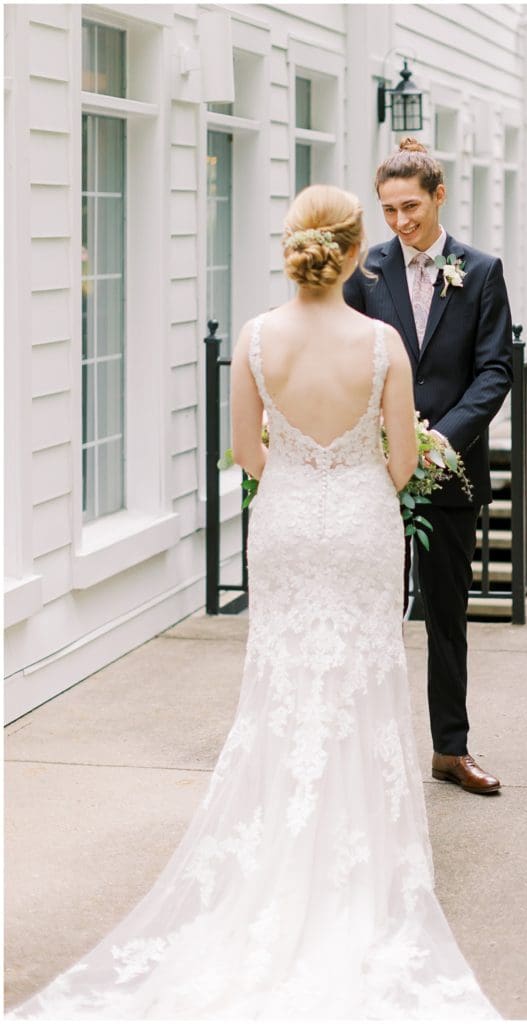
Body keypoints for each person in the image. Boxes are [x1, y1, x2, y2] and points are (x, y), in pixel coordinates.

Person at [7, 185, 500, 1019]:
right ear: (356, 254)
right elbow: (402, 463)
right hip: (360, 524)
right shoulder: (382, 342)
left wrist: (302, 484)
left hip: (286, 525)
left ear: (293, 247)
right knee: (361, 680)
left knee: (283, 684)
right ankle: (359, 859)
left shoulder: (255, 338)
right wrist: (350, 487)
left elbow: (246, 452)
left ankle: (277, 849)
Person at [344, 138, 514, 796]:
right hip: (374, 473)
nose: (400, 222)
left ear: (439, 196)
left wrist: (439, 441)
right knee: (372, 613)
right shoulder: (366, 272)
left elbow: (494, 371)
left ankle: (451, 750)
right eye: (388, 210)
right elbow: (347, 358)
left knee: (446, 616)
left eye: (410, 206)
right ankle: (368, 753)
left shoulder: (482, 271)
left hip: (450, 474)